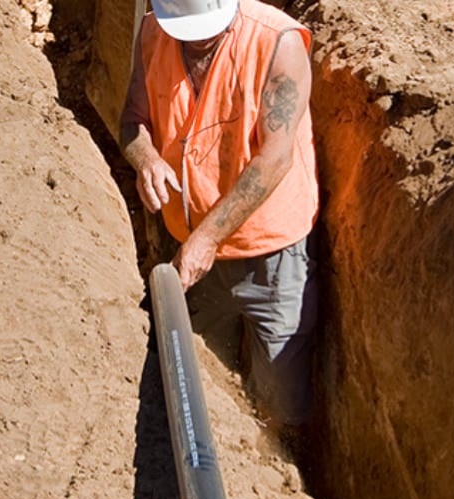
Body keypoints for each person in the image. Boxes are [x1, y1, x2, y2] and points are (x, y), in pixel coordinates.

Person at [119, 0, 320, 432]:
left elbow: (275, 158)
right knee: (205, 390)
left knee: (281, 405)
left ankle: (281, 481)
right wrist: (147, 159)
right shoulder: (155, 32)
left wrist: (208, 239)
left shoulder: (277, 43)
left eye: (204, 33)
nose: (194, 43)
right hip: (191, 252)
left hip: (271, 256)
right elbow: (132, 121)